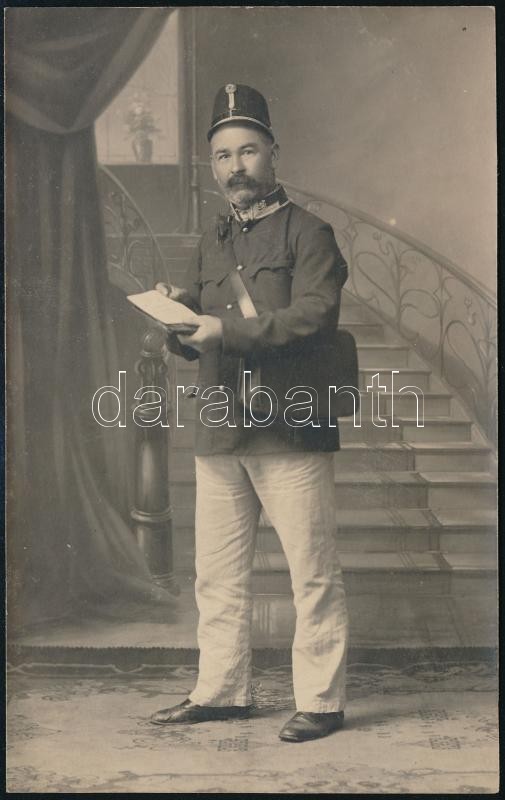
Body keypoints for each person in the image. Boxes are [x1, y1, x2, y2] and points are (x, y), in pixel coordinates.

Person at [150, 84, 349, 742]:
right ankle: (222, 691)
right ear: (212, 165)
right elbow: (201, 332)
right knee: (215, 574)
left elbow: (314, 317)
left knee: (310, 573)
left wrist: (223, 330)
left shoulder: (310, 233)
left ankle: (320, 701)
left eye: (247, 151)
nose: (235, 166)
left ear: (273, 153)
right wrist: (179, 318)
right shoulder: (212, 240)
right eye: (222, 155)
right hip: (220, 425)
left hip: (289, 425)